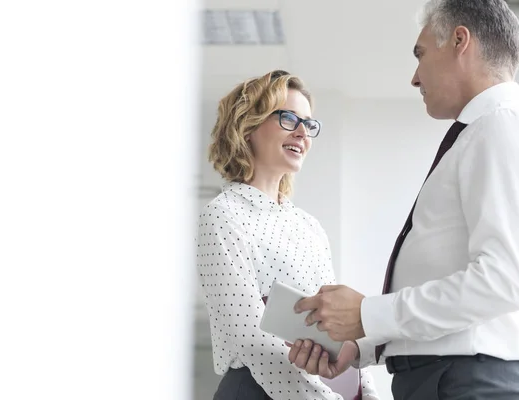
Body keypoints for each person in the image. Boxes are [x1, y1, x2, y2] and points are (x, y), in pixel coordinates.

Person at [286, 1, 519, 399]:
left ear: (460, 41)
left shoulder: (496, 124)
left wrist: (366, 315)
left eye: (421, 54)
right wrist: (361, 343)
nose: (414, 77)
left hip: (464, 383)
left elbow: (504, 279)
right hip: (446, 378)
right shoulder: (483, 131)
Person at [196, 70, 380, 400]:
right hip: (257, 389)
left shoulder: (309, 227)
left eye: (308, 124)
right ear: (247, 126)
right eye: (288, 118)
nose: (302, 133)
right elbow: (251, 339)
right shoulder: (224, 215)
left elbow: (336, 328)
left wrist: (368, 394)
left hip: (319, 389)